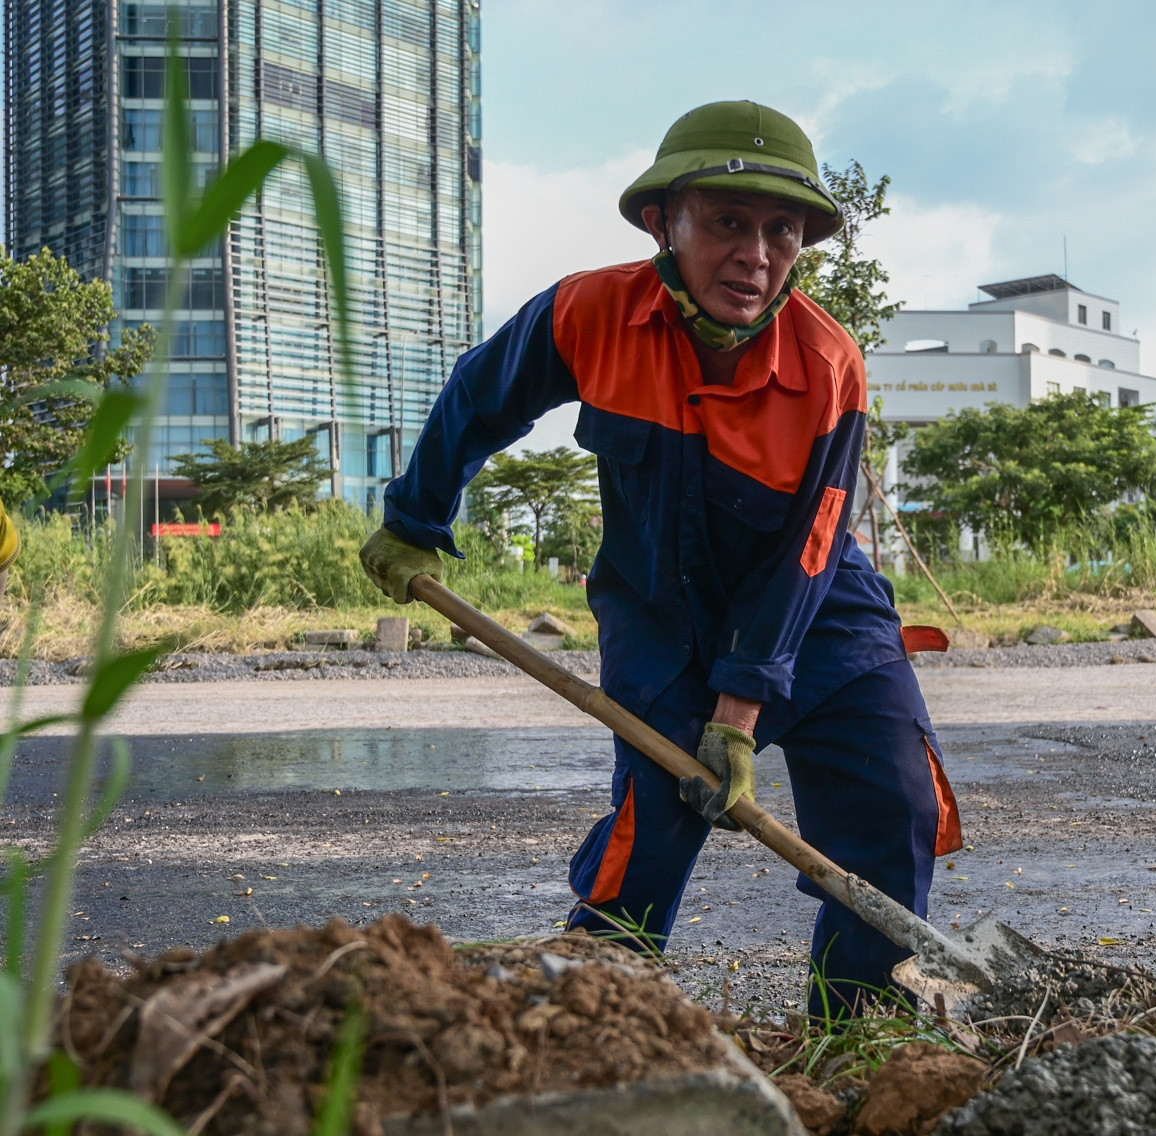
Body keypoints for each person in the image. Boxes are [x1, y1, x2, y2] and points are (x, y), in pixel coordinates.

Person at [358, 101, 961, 1016]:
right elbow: (480, 396)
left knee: (897, 803)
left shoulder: (828, 364)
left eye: (781, 231)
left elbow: (809, 546)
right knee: (659, 818)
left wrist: (743, 699)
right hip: (660, 614)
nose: (756, 255)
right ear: (662, 221)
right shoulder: (589, 312)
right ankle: (587, 1018)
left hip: (817, 613)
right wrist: (414, 518)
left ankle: (860, 1031)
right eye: (726, 222)